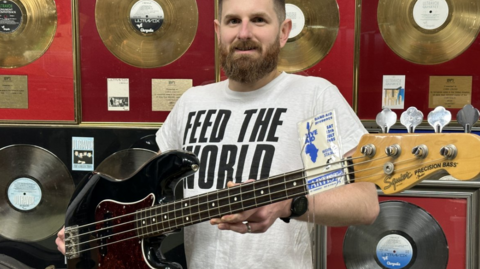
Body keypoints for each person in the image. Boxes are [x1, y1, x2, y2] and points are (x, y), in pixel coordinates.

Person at [56, 0, 379, 267]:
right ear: (218, 31)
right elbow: (141, 200)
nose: (244, 32)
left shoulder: (314, 97)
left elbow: (365, 204)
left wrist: (288, 204)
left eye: (259, 20)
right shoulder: (192, 103)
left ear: (283, 32)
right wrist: (90, 233)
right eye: (233, 21)